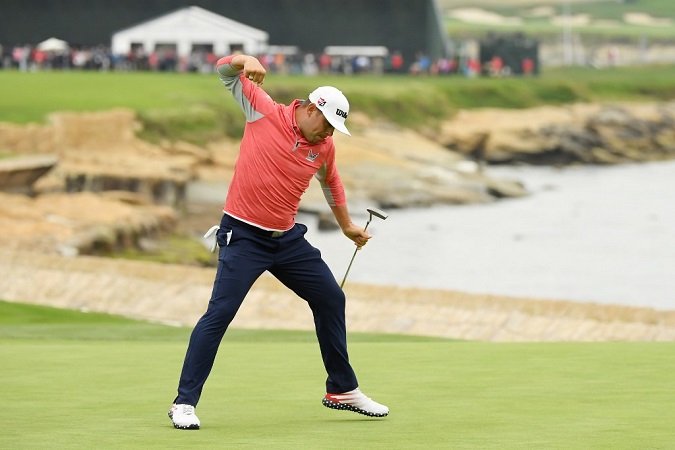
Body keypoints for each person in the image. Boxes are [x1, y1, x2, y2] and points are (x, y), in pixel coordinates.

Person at [168, 53, 389, 430]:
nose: (330, 134)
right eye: (329, 125)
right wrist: (243, 59)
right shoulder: (264, 111)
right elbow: (223, 72)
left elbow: (331, 183)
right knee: (219, 314)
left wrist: (347, 225)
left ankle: (341, 389)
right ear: (310, 110)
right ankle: (183, 403)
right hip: (243, 236)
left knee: (331, 298)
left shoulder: (324, 148)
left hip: (287, 239)